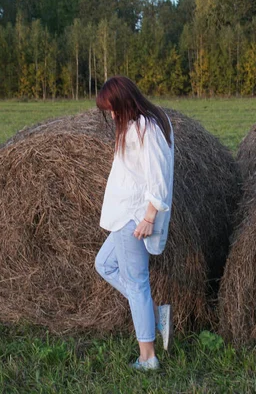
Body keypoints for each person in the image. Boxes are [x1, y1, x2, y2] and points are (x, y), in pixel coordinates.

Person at [94, 76, 175, 371]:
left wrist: (149, 217)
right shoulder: (133, 126)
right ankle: (155, 315)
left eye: (112, 108)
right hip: (122, 215)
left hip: (134, 217)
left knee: (138, 284)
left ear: (125, 101)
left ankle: (148, 357)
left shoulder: (146, 128)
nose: (111, 115)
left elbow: (160, 177)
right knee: (104, 264)